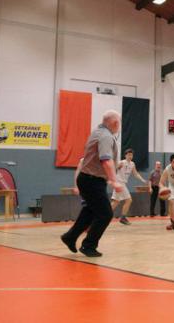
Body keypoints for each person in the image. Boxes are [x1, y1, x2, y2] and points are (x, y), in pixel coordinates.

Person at [60, 110, 123, 257]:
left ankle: (70, 237)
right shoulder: (106, 136)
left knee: (90, 211)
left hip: (88, 179)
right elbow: (106, 160)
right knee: (106, 214)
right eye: (119, 123)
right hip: (92, 180)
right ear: (115, 123)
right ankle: (88, 245)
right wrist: (114, 181)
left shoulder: (97, 132)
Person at [111, 149, 148, 225]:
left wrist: (142, 180)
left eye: (131, 155)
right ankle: (123, 218)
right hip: (119, 183)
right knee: (129, 200)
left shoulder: (132, 164)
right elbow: (112, 168)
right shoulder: (121, 162)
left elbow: (135, 174)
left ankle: (104, 214)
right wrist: (117, 167)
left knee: (116, 202)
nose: (130, 156)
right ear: (125, 155)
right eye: (128, 155)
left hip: (122, 183)